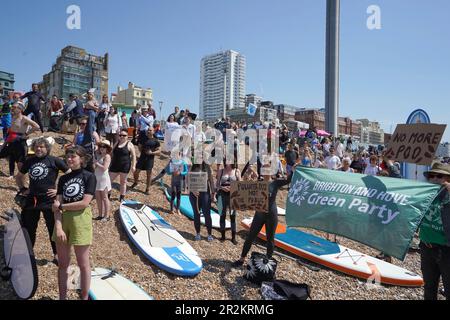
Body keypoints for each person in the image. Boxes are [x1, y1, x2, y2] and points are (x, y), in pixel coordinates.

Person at [16, 137, 70, 264]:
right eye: (36, 147)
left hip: (49, 200)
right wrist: (23, 189)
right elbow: (19, 176)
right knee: (29, 228)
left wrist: (58, 190)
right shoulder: (30, 161)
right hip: (32, 200)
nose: (38, 149)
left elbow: (70, 174)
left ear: (47, 148)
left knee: (53, 228)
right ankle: (29, 253)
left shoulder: (54, 160)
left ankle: (57, 254)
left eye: (41, 147)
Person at [52, 146, 96, 300]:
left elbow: (84, 203)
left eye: (73, 156)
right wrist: (58, 227)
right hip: (63, 221)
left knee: (83, 264)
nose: (69, 159)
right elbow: (56, 206)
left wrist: (62, 206)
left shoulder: (89, 176)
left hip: (81, 220)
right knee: (63, 264)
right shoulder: (63, 178)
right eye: (68, 157)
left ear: (82, 159)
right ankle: (62, 297)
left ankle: (83, 297)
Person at [232, 161, 296, 267]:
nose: (266, 172)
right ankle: (241, 259)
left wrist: (292, 170)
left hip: (271, 215)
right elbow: (243, 190)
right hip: (259, 215)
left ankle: (268, 262)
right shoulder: (258, 182)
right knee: (250, 237)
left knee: (270, 239)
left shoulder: (276, 183)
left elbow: (289, 180)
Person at [419, 163, 450, 300]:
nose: (435, 179)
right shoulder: (425, 193)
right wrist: (389, 163)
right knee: (429, 288)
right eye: (432, 176)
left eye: (439, 175)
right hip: (426, 247)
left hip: (446, 251)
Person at [0, 101, 40, 173]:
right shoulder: (12, 117)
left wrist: (26, 133)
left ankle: (22, 176)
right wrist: (3, 144)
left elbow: (37, 126)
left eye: (14, 107)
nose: (12, 108)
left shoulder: (24, 118)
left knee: (20, 162)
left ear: (20, 109)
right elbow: (10, 133)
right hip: (11, 140)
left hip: (20, 141)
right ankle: (11, 175)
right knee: (11, 157)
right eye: (12, 107)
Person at [188, 161, 215, 241]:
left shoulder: (207, 167)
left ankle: (209, 234)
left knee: (207, 214)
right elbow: (187, 181)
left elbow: (211, 181)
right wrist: (192, 190)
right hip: (194, 194)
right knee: (196, 214)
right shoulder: (192, 167)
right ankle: (198, 233)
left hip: (205, 193)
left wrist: (213, 193)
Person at [216, 161, 241, 244]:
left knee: (232, 216)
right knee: (222, 215)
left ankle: (233, 237)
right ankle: (223, 236)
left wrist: (234, 185)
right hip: (222, 195)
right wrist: (222, 188)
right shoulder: (221, 171)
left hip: (233, 196)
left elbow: (241, 185)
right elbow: (217, 185)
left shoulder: (237, 171)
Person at [109, 129, 136, 202]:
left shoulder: (130, 144)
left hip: (125, 165)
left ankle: (122, 197)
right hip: (114, 165)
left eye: (124, 135)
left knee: (123, 182)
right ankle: (108, 195)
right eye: (120, 135)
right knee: (109, 180)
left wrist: (133, 166)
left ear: (127, 136)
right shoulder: (117, 143)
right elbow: (111, 153)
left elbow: (134, 156)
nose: (122, 137)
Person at [132, 127, 160, 194]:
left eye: (150, 130)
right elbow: (139, 146)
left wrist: (152, 153)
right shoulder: (143, 138)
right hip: (142, 158)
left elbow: (159, 151)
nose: (149, 131)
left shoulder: (155, 141)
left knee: (149, 174)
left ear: (153, 131)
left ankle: (147, 189)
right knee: (136, 172)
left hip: (150, 159)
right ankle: (135, 182)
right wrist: (142, 151)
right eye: (148, 130)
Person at [93, 140, 112, 221]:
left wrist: (96, 163)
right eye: (101, 146)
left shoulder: (107, 156)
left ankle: (106, 216)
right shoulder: (98, 155)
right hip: (97, 177)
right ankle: (100, 215)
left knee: (104, 197)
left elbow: (104, 168)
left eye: (104, 147)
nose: (102, 148)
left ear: (107, 148)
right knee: (98, 197)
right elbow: (95, 168)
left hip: (104, 178)